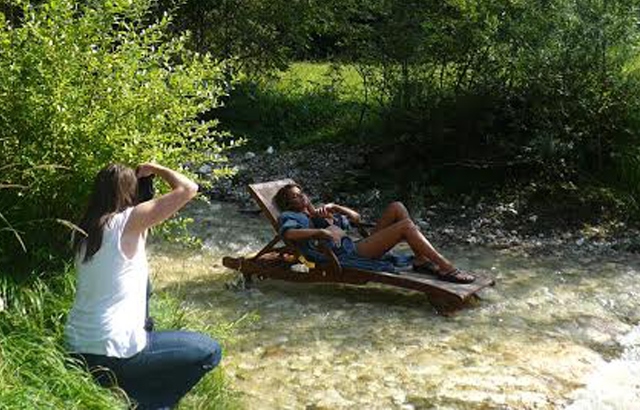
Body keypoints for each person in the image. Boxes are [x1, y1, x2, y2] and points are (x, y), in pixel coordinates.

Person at [65, 163, 221, 409]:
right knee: (210, 350)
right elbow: (189, 188)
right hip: (113, 352)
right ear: (129, 192)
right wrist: (155, 168)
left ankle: (126, 390)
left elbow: (140, 234)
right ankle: (150, 404)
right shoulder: (126, 222)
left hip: (77, 348)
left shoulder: (82, 230)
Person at [274, 183, 475, 283]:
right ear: (288, 203)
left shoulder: (319, 212)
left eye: (302, 193)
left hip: (355, 245)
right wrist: (319, 231)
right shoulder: (292, 216)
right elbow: (289, 234)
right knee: (405, 226)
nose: (302, 197)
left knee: (397, 206)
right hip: (348, 254)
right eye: (296, 196)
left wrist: (336, 208)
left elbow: (357, 218)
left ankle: (421, 259)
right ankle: (447, 268)